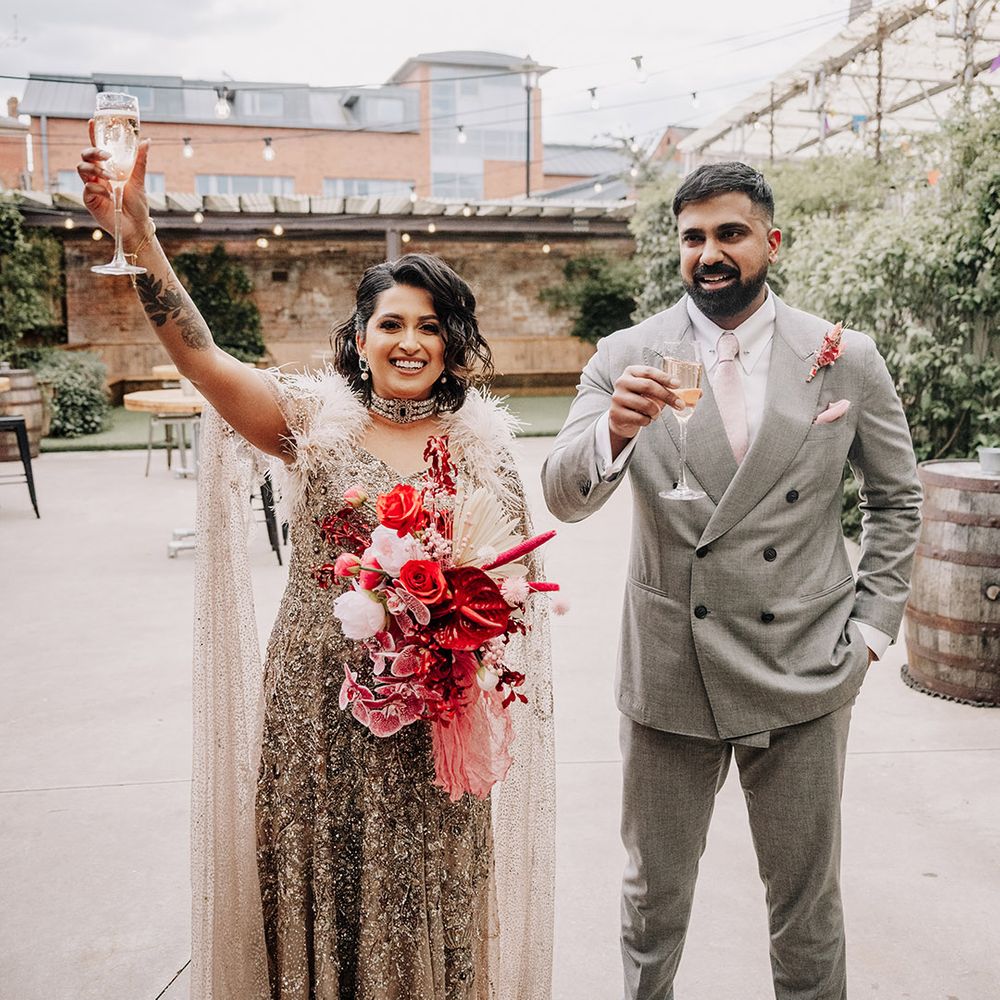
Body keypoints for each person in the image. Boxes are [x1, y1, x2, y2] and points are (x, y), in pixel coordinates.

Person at [78, 130, 554, 1000]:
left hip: (433, 721)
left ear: (454, 342)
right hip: (318, 710)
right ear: (361, 337)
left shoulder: (481, 445)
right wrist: (138, 240)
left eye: (430, 326)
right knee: (327, 883)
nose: (410, 342)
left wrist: (457, 629)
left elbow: (510, 587)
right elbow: (203, 357)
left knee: (427, 890)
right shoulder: (308, 419)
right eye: (391, 325)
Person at [541, 161, 921, 1000]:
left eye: (730, 233)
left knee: (805, 902)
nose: (709, 253)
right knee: (653, 898)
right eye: (693, 238)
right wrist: (613, 430)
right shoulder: (627, 355)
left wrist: (870, 629)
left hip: (805, 664)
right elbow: (563, 496)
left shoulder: (844, 358)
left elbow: (897, 498)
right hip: (671, 668)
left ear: (771, 242)